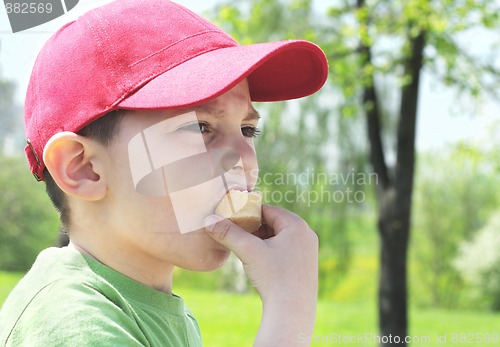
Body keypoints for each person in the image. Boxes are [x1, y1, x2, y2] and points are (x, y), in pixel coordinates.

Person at [0, 0, 328, 346]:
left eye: (248, 130)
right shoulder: (74, 324)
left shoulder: (153, 310)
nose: (245, 159)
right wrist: (290, 307)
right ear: (83, 168)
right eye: (201, 127)